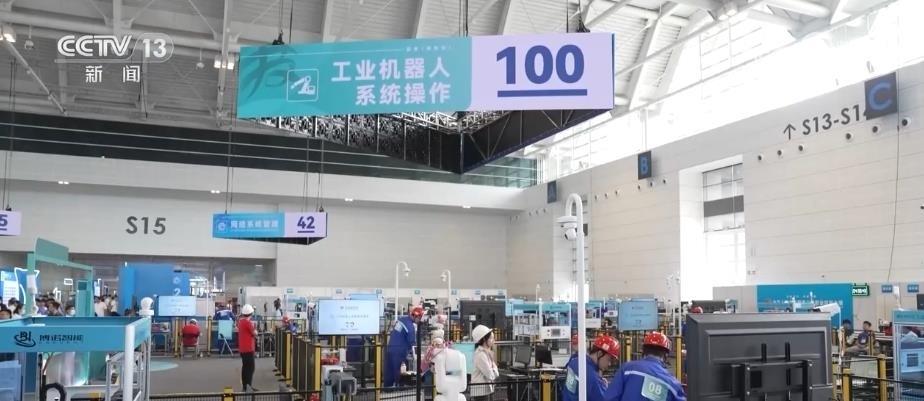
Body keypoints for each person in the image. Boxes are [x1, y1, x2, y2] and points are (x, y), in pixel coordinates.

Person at [605, 332, 686, 401]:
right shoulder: (672, 383)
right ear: (666, 355)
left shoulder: (627, 369)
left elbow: (611, 398)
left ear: (643, 351)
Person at [562, 335, 620, 401]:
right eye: (609, 360)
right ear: (600, 354)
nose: (609, 364)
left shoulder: (575, 361)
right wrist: (604, 387)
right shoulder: (593, 378)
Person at [384, 305, 424, 387]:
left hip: (391, 347)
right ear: (417, 317)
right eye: (420, 318)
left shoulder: (401, 319)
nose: (419, 321)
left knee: (389, 369)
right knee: (399, 370)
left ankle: (387, 387)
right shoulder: (410, 327)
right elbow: (412, 342)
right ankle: (399, 387)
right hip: (399, 351)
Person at [470, 325, 498, 401]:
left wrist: (493, 369)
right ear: (484, 339)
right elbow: (491, 375)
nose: (493, 340)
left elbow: (493, 373)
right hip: (481, 392)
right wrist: (494, 369)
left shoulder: (486, 353)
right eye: (491, 338)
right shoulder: (481, 355)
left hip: (486, 390)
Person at [238, 304, 258, 392]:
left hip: (243, 349)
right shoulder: (248, 323)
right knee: (251, 368)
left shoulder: (241, 322)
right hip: (249, 349)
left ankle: (245, 386)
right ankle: (248, 386)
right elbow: (255, 333)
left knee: (245, 367)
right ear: (251, 313)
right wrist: (255, 329)